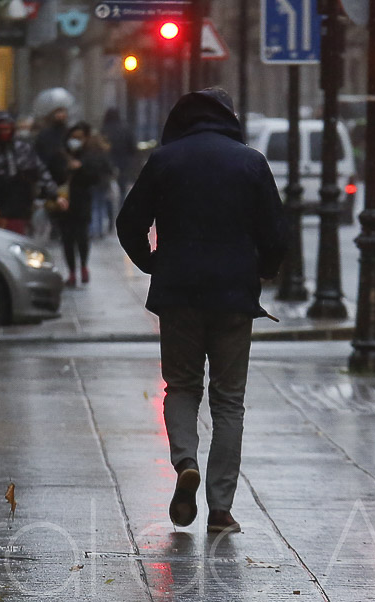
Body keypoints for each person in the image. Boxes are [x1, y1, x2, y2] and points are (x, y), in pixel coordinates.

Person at [117, 88, 289, 533]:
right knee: (229, 401)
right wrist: (262, 270)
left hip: (178, 293)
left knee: (182, 386)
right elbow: (276, 234)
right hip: (233, 295)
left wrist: (153, 262)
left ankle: (185, 461)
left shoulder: (165, 160)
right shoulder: (250, 161)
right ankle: (220, 510)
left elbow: (129, 222)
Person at [0, 111, 60, 235]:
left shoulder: (24, 150)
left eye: (7, 130)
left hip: (22, 208)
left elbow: (41, 172)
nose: (4, 133)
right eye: (1, 130)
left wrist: (54, 195)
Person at [61, 122, 112, 285]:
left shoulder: (90, 154)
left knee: (81, 237)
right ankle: (71, 272)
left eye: (79, 137)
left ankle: (83, 266)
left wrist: (82, 168)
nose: (75, 140)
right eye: (73, 137)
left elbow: (97, 175)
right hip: (64, 202)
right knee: (67, 239)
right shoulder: (63, 154)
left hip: (82, 200)